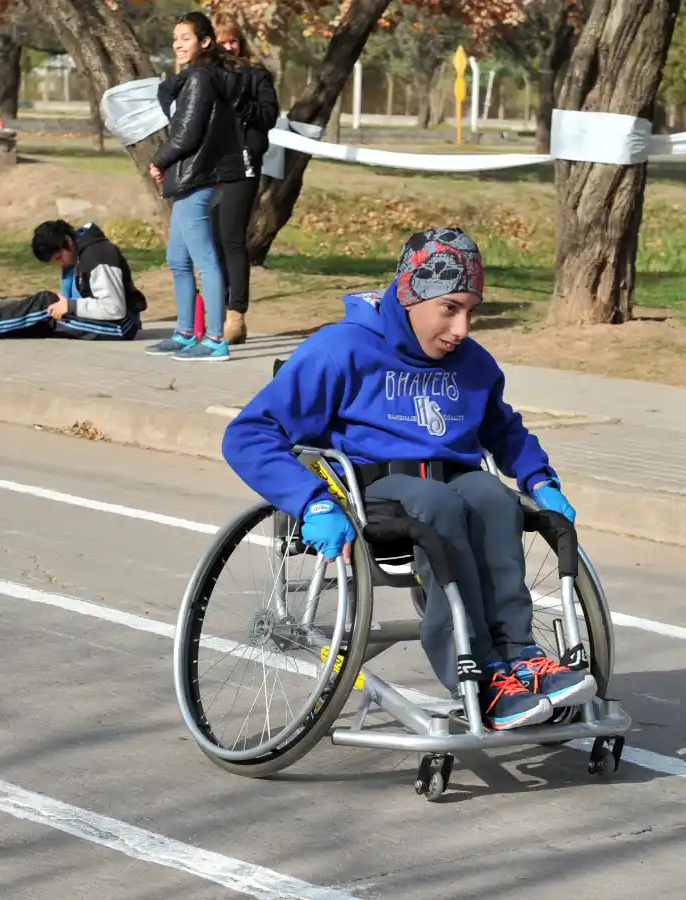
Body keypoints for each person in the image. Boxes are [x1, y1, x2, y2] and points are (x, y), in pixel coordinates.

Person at [221, 227, 596, 731]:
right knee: (437, 505)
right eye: (449, 308)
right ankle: (481, 677)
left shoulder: (473, 364)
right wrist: (310, 501)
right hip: (371, 493)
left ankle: (520, 654)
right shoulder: (341, 350)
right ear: (409, 295)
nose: (462, 327)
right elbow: (249, 435)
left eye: (471, 310)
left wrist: (539, 478)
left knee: (494, 498)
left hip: (454, 485)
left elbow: (503, 429)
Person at [160, 20, 279, 347]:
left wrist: (240, 101)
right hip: (210, 167)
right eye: (222, 43)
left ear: (241, 44)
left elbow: (268, 116)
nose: (228, 49)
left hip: (242, 165)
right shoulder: (205, 77)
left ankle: (234, 313)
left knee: (230, 238)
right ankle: (204, 318)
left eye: (233, 43)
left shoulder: (255, 76)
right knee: (208, 240)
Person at [147, 11, 250, 363]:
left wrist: (159, 160)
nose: (178, 44)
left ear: (205, 41)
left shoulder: (201, 79)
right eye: (175, 38)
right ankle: (185, 332)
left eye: (186, 38)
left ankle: (216, 338)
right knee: (177, 259)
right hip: (194, 178)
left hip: (199, 179)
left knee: (206, 262)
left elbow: (187, 133)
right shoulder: (199, 77)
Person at [0, 220, 146, 341]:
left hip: (119, 326)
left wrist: (71, 307)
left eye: (58, 258)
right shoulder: (78, 253)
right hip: (103, 320)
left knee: (45, 303)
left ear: (69, 241)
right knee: (41, 319)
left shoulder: (97, 256)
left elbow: (114, 308)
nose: (59, 264)